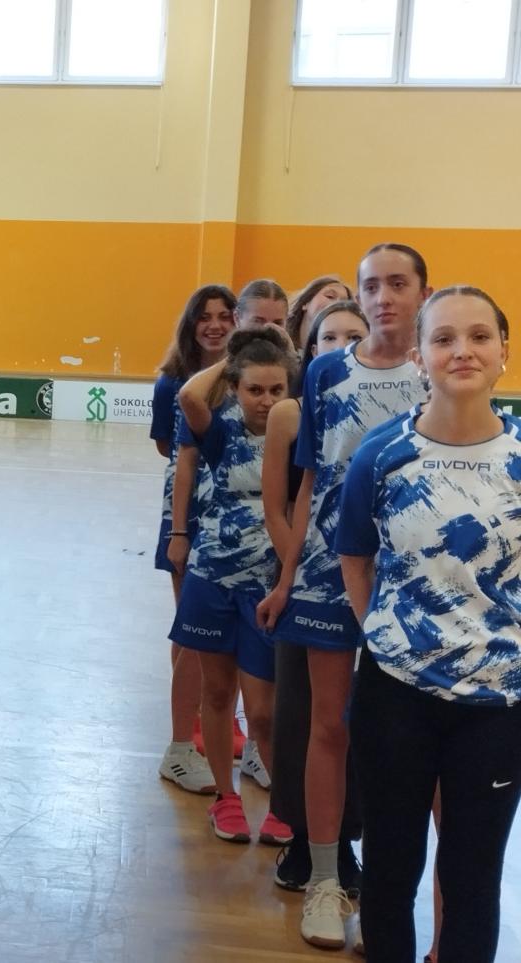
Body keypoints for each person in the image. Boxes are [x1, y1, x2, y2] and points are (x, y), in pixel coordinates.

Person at [338, 286, 521, 963]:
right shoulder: (382, 454)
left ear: (504, 352)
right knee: (389, 869)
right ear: (419, 355)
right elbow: (355, 556)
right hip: (395, 697)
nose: (462, 351)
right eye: (443, 338)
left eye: (479, 336)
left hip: (498, 705)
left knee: (473, 877)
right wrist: (390, 640)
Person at [257, 243, 430, 950]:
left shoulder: (435, 371)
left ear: (422, 293)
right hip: (326, 574)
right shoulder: (328, 373)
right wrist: (287, 577)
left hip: (411, 583)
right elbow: (311, 485)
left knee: (398, 738)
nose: (384, 297)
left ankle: (389, 893)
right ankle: (325, 879)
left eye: (398, 284)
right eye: (372, 285)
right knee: (327, 724)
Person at [172, 327, 296, 845]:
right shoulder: (221, 430)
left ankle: (284, 803)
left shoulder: (295, 439)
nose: (265, 400)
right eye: (254, 389)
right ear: (237, 388)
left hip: (267, 586)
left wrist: (285, 355)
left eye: (276, 390)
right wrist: (235, 355)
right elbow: (189, 396)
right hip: (212, 578)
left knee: (264, 712)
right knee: (218, 693)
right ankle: (226, 798)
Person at [262, 300, 369, 892]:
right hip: (305, 578)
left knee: (354, 720)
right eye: (328, 336)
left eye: (354, 334)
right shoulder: (293, 412)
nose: (340, 345)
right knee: (301, 716)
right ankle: (304, 838)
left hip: (369, 585)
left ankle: (346, 838)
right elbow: (286, 502)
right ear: (309, 347)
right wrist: (294, 573)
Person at [154, 285, 236, 794]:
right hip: (187, 512)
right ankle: (185, 735)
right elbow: (168, 446)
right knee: (191, 626)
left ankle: (217, 717)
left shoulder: (252, 379)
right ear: (191, 323)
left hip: (237, 520)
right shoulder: (173, 381)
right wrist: (181, 527)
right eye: (205, 316)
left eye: (225, 315)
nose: (215, 325)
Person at [286, 276, 352, 350]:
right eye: (330, 296)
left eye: (344, 302)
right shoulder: (281, 345)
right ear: (306, 302)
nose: (337, 304)